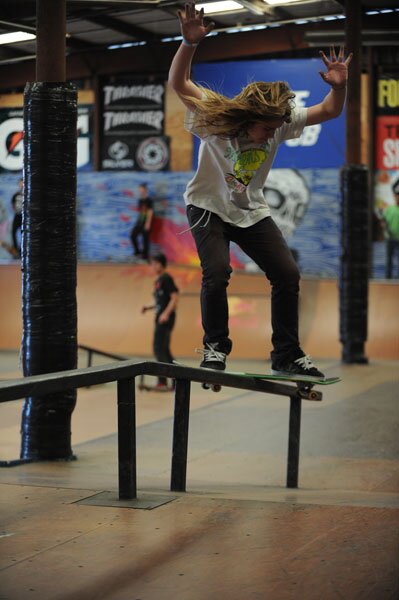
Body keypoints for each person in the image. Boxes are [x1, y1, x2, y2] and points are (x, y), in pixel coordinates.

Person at [168, 2, 352, 378]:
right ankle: (216, 348)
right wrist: (188, 44)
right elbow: (179, 84)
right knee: (217, 272)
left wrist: (341, 86)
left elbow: (329, 112)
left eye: (274, 130)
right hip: (206, 207)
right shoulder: (216, 118)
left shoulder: (280, 123)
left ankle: (286, 353)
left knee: (287, 274)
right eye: (265, 130)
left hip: (251, 211)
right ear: (249, 119)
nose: (271, 135)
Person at [141, 253, 179, 388]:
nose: (152, 266)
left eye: (154, 263)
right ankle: (176, 380)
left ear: (160, 264)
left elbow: (174, 298)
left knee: (159, 349)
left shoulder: (166, 278)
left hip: (165, 319)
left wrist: (165, 314)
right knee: (164, 350)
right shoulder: (158, 281)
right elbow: (159, 301)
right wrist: (148, 307)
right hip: (160, 317)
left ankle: (163, 381)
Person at [130, 183, 154, 260]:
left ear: (145, 189)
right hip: (139, 222)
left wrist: (148, 223)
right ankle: (137, 252)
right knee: (133, 235)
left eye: (142, 189)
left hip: (146, 222)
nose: (140, 191)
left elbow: (150, 212)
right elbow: (140, 212)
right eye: (139, 189)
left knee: (145, 239)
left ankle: (145, 256)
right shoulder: (140, 200)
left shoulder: (149, 200)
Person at [383, 178, 399, 279]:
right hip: (390, 239)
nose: (398, 198)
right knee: (389, 260)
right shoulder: (389, 209)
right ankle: (388, 279)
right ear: (394, 197)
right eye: (396, 196)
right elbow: (383, 221)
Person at [11, 178, 23, 256]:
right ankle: (16, 249)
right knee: (13, 231)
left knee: (23, 233)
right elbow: (12, 203)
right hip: (17, 215)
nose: (21, 184)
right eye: (20, 183)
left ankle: (22, 249)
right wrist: (15, 209)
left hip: (24, 216)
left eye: (23, 183)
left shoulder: (27, 194)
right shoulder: (16, 194)